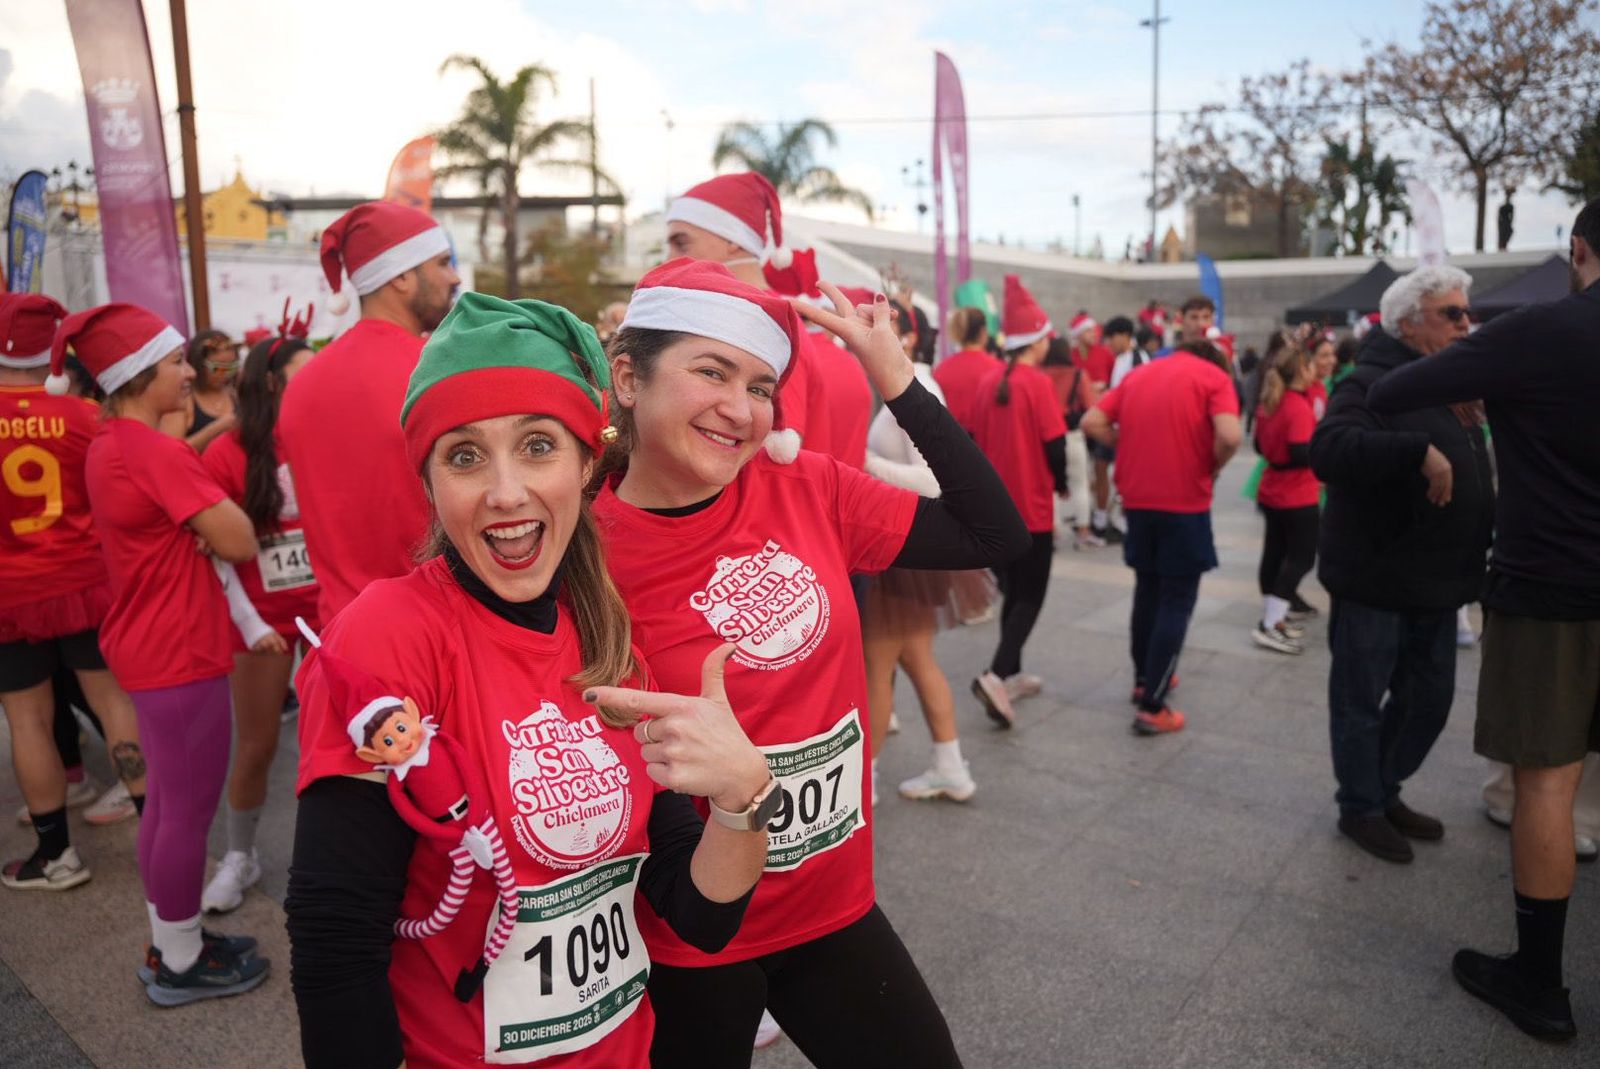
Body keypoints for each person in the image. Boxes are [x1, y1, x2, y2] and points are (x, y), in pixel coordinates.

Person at [286, 292, 771, 1069]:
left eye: (538, 446)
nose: (505, 492)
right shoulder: (391, 634)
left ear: (587, 464)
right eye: (465, 455)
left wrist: (743, 799)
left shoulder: (606, 634)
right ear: (432, 483)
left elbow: (698, 912)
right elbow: (335, 944)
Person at [595, 258, 1027, 1068]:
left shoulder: (807, 488)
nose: (740, 409)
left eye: (760, 386)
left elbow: (993, 535)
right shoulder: (586, 553)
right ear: (628, 375)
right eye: (711, 372)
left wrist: (895, 376)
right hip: (694, 935)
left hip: (832, 907)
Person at [1365, 196, 1600, 1041]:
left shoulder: (1540, 332)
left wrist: (1491, 390)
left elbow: (1395, 387)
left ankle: (1540, 980)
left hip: (1553, 593)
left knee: (1546, 780)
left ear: (1579, 249)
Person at [47, 303, 268, 1004]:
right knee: (184, 811)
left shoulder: (112, 442)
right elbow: (239, 539)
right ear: (141, 374)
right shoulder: (151, 449)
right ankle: (179, 962)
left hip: (150, 644)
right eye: (175, 361)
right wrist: (210, 526)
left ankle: (176, 937)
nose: (188, 370)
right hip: (180, 649)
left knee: (167, 806)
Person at [1308, 264, 1494, 866]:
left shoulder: (1442, 378)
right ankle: (1360, 805)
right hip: (1376, 579)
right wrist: (1416, 451)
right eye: (1453, 314)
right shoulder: (1369, 381)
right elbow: (1330, 449)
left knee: (1429, 701)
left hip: (1435, 581)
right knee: (1361, 702)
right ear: (1409, 321)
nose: (1467, 324)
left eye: (1467, 311)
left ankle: (1382, 789)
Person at [0, 293, 146, 890]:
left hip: (9, 592)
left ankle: (56, 855)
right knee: (114, 704)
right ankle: (155, 832)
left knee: (28, 720)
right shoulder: (86, 416)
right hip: (87, 582)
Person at [280, 201, 459, 622]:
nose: (454, 276)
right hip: (433, 632)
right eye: (441, 263)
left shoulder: (301, 385)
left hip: (340, 635)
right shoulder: (435, 370)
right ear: (400, 276)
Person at [199, 327, 320, 913]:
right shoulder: (228, 452)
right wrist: (250, 625)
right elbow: (217, 553)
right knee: (257, 744)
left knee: (351, 743)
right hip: (261, 617)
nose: (317, 382)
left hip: (329, 611)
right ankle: (239, 854)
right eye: (304, 372)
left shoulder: (326, 434)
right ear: (272, 383)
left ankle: (344, 860)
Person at [862, 300, 994, 802]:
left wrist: (864, 463)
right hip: (901, 543)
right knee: (915, 658)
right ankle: (949, 766)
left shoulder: (918, 389)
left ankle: (865, 780)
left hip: (906, 545)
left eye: (885, 324)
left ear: (910, 338)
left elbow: (938, 480)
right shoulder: (902, 383)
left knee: (879, 664)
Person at [1080, 339, 1242, 736]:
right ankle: (1154, 703)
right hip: (1184, 502)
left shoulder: (1139, 374)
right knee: (1177, 599)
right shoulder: (1214, 377)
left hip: (1139, 500)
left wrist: (1129, 445)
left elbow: (1092, 421)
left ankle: (1143, 679)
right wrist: (1211, 462)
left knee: (1148, 591)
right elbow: (1232, 436)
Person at [969, 277, 1069, 725]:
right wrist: (1063, 482)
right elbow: (1055, 446)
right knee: (1031, 595)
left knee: (1014, 590)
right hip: (1033, 510)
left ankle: (1010, 670)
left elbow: (970, 441)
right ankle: (994, 675)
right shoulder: (1039, 384)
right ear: (1037, 342)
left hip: (996, 511)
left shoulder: (988, 379)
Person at [1250, 342, 1320, 655]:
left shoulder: (1270, 403)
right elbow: (1300, 451)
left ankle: (1272, 618)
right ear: (1301, 370)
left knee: (1275, 554)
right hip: (1297, 493)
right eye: (1310, 365)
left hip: (1272, 488)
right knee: (1301, 558)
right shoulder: (1297, 406)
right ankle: (1270, 622)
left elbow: (1258, 447)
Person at [159, 331, 239, 452]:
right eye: (218, 368)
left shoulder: (235, 395)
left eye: (231, 367)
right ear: (198, 365)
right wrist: (216, 428)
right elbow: (171, 452)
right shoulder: (183, 399)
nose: (226, 374)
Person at [930, 305, 1001, 435]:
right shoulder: (999, 369)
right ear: (983, 332)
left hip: (951, 441)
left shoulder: (941, 370)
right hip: (987, 443)